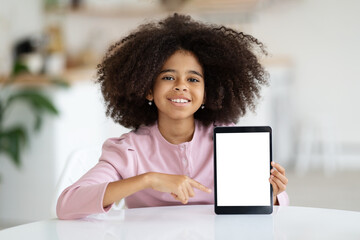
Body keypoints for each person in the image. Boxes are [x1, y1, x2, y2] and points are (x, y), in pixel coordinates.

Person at [56, 13, 289, 220]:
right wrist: (149, 179)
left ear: (207, 94)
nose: (181, 86)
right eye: (168, 77)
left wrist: (274, 194)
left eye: (193, 79)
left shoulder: (228, 140)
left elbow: (271, 209)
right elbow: (67, 205)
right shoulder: (129, 150)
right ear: (148, 88)